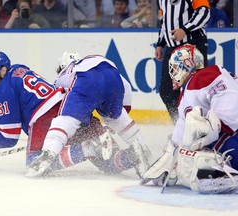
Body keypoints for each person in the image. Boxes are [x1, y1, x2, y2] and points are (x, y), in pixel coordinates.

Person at [0, 51, 144, 178]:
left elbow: (8, 137)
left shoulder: (3, 91)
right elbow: (16, 94)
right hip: (70, 107)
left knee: (34, 165)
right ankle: (134, 155)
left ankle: (87, 148)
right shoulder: (19, 69)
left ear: (2, 70)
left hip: (45, 119)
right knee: (108, 164)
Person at [26, 51, 154, 178]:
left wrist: (55, 139)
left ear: (62, 65)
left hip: (86, 81)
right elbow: (125, 88)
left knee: (65, 120)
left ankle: (48, 154)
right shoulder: (91, 60)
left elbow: (58, 99)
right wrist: (116, 115)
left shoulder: (65, 73)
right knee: (115, 118)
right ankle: (141, 147)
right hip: (112, 74)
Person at [141, 44, 238, 194]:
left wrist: (174, 158)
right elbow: (179, 134)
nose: (173, 74)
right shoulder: (217, 71)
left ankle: (223, 171)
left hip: (233, 134)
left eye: (174, 69)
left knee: (195, 149)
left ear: (186, 65)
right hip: (233, 129)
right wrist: (172, 152)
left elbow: (191, 126)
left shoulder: (195, 82)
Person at [155, 0, 210, 124]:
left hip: (193, 44)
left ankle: (203, 127)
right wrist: (160, 43)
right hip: (172, 48)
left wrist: (185, 29)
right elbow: (165, 21)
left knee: (197, 91)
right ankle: (181, 126)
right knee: (166, 91)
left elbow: (204, 12)